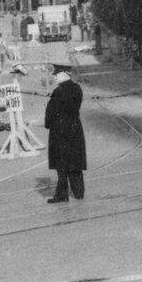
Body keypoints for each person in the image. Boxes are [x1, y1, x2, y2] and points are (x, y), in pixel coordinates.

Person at [44, 63, 87, 203]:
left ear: (61, 76)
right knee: (75, 161)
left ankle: (62, 195)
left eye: (55, 76)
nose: (54, 78)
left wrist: (48, 124)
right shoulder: (77, 88)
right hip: (75, 126)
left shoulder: (59, 91)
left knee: (61, 164)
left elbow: (50, 111)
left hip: (60, 129)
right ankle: (79, 192)